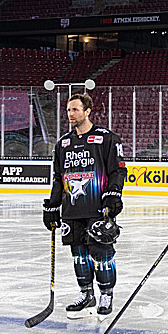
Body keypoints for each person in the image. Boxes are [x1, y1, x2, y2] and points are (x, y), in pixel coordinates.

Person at [43, 93, 127, 319]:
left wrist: (113, 194)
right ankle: (86, 293)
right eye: (69, 110)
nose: (71, 114)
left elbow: (118, 170)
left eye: (75, 110)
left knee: (101, 253)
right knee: (78, 253)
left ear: (88, 111)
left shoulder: (106, 138)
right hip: (72, 209)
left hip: (98, 207)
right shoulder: (63, 143)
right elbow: (58, 177)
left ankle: (106, 294)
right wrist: (52, 206)